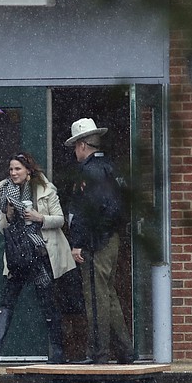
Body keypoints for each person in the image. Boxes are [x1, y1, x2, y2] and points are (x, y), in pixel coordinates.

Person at [0, 153, 75, 365]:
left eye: (17, 169)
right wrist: (10, 215)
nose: (13, 173)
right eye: (11, 169)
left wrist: (40, 218)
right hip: (17, 254)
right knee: (7, 300)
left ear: (28, 170)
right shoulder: (5, 195)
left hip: (39, 253)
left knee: (47, 301)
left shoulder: (46, 190)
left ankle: (57, 351)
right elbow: (2, 228)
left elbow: (60, 219)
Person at [64, 118, 134, 364]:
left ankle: (98, 353)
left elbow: (89, 212)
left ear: (83, 145)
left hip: (96, 241)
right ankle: (125, 351)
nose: (74, 152)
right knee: (108, 295)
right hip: (109, 238)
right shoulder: (109, 167)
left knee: (95, 297)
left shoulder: (90, 171)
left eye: (75, 146)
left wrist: (80, 242)